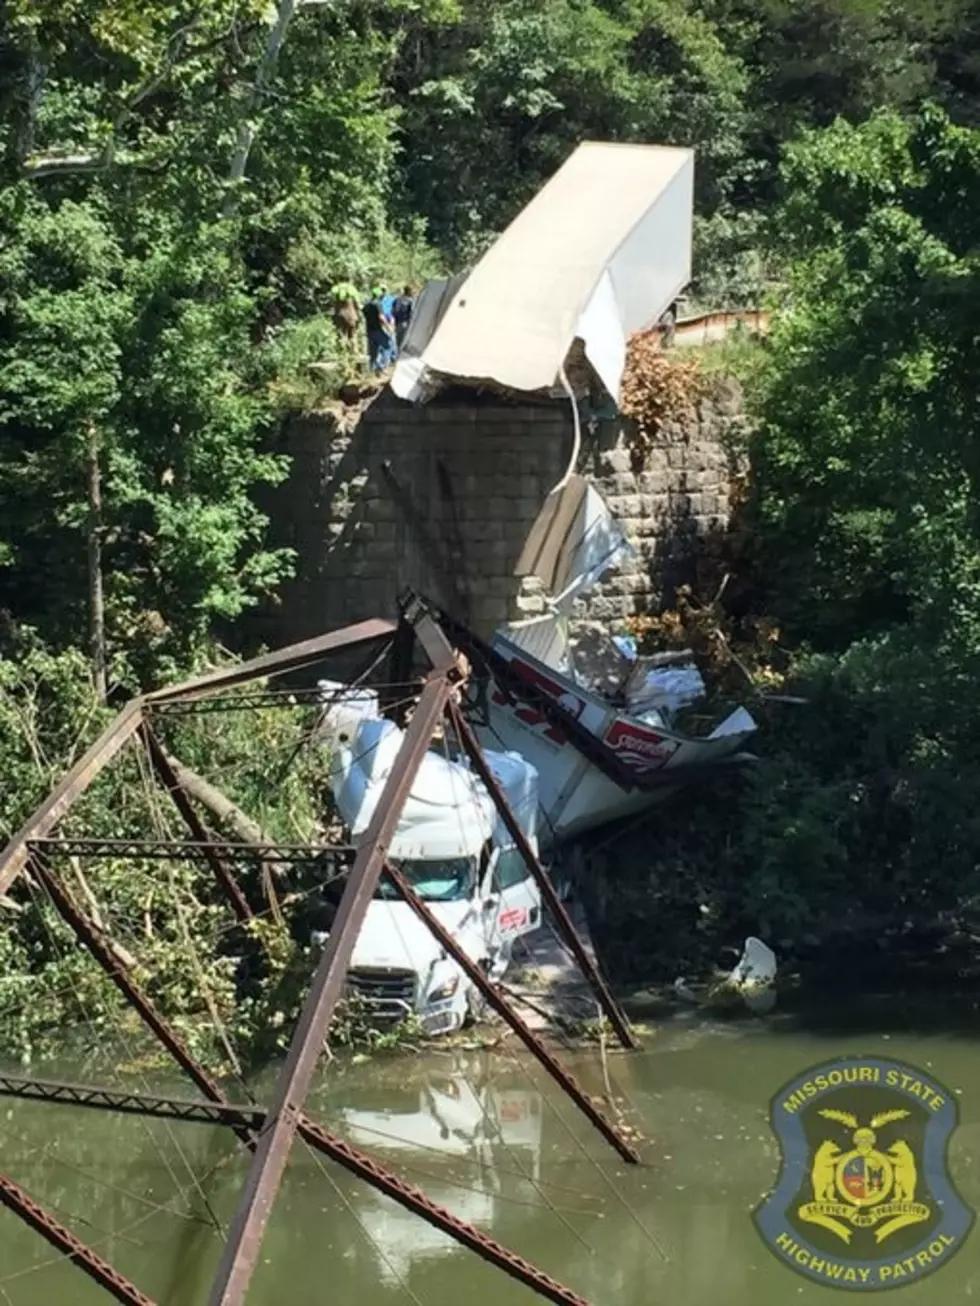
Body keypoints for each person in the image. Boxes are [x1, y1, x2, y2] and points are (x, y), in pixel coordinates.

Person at [362, 285, 394, 373]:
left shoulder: (366, 305)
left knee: (373, 351)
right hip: (377, 330)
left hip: (369, 330)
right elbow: (381, 318)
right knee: (388, 345)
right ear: (379, 295)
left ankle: (372, 370)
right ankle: (383, 366)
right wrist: (388, 327)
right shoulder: (378, 304)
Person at [392, 284, 415, 349]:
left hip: (397, 323)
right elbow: (412, 313)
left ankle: (396, 356)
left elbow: (393, 311)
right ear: (409, 291)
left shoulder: (397, 299)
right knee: (404, 342)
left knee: (398, 341)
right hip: (405, 323)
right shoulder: (410, 301)